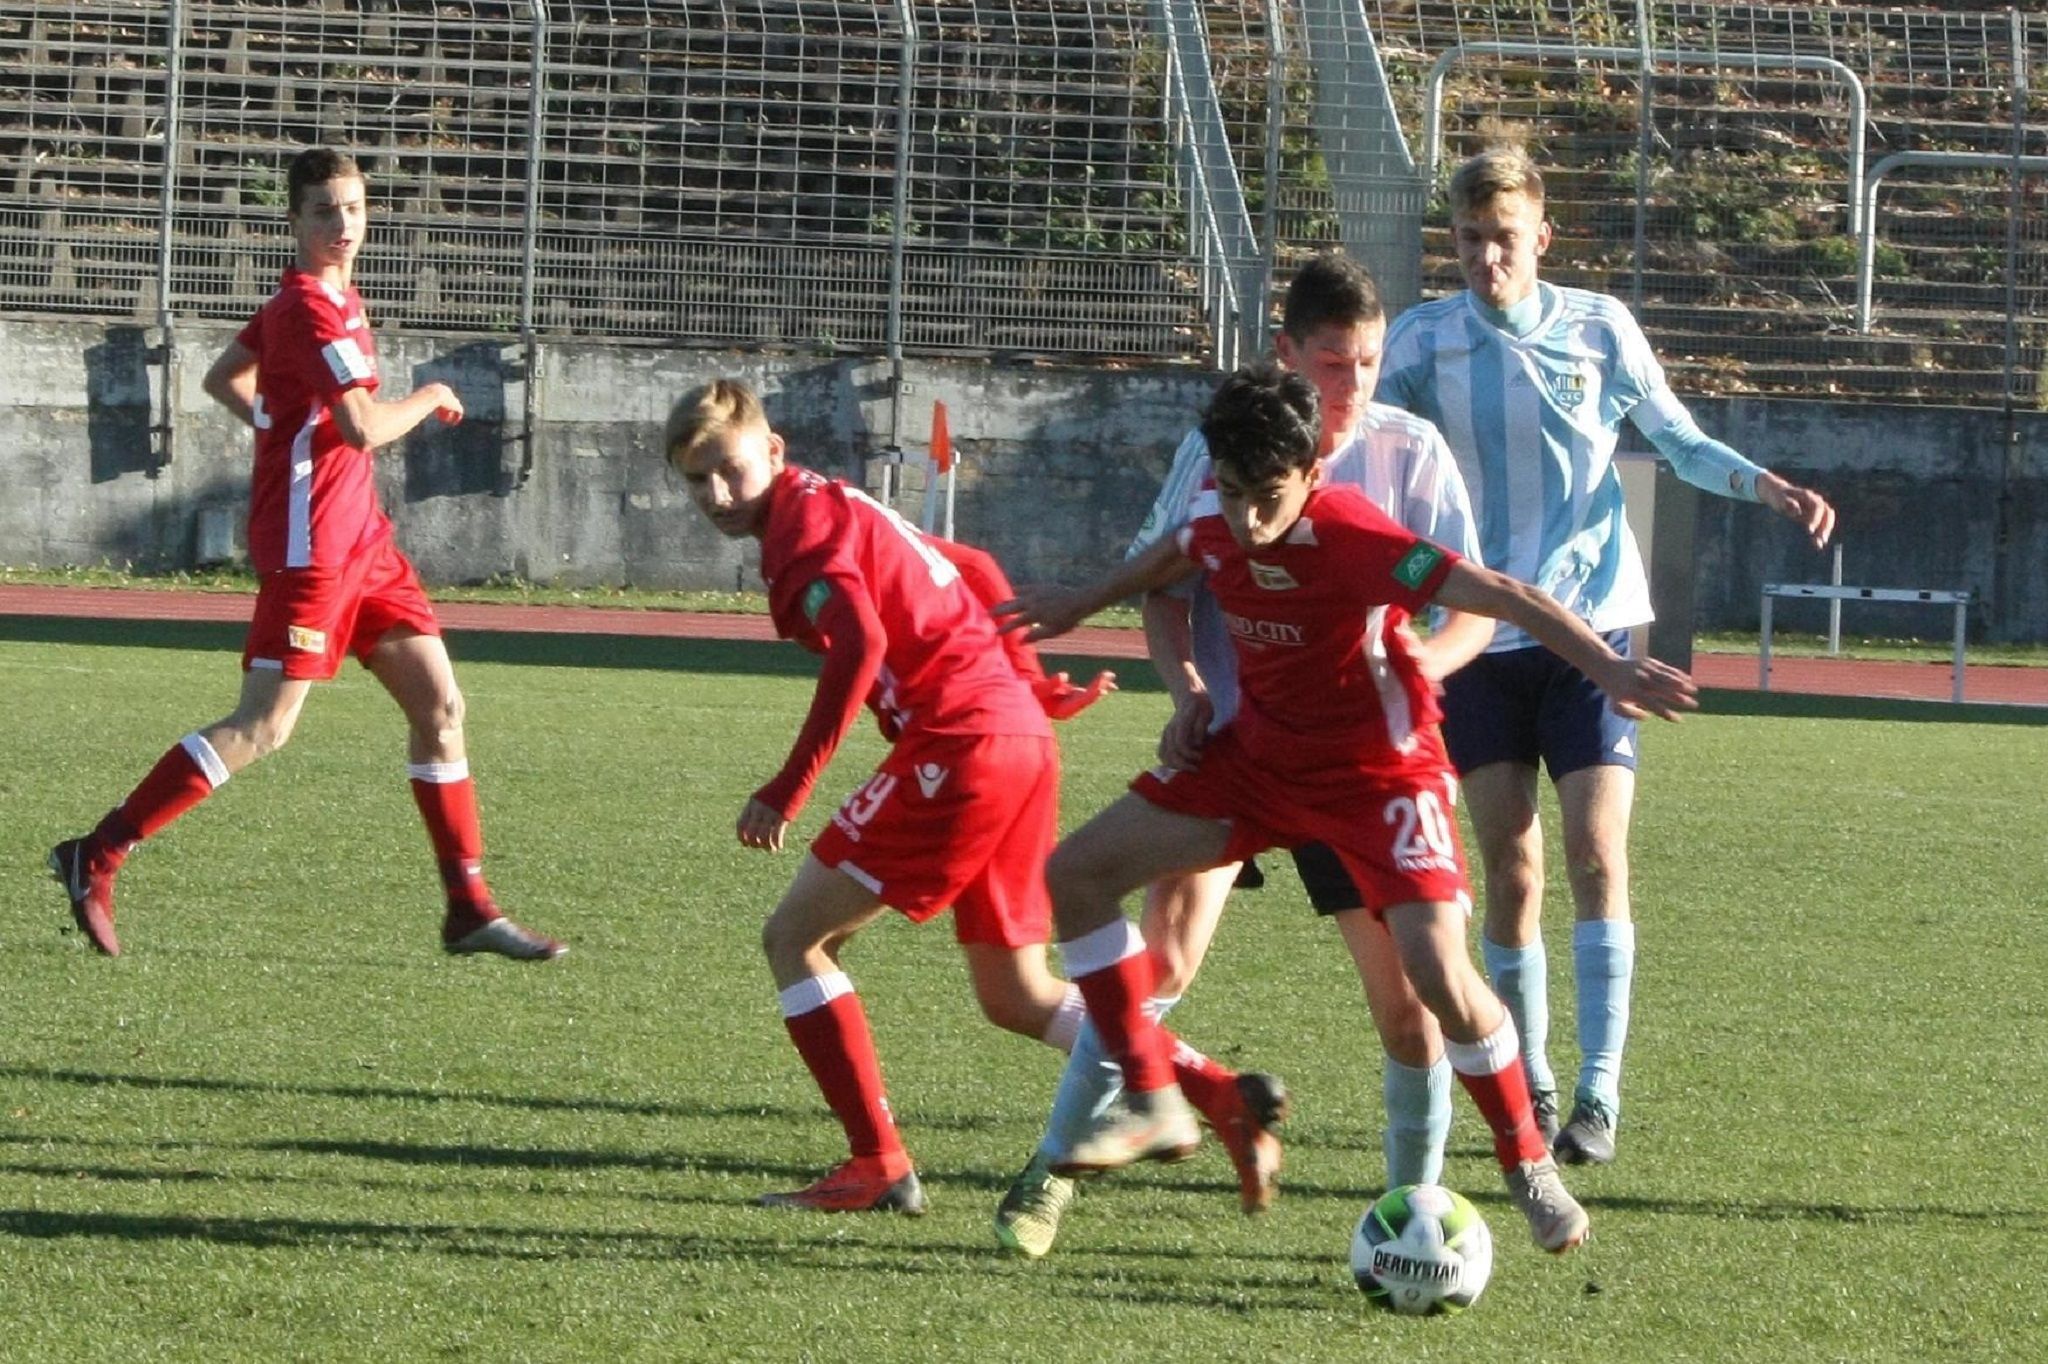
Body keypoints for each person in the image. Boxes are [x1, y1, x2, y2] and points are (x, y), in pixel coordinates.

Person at [1000, 361, 1699, 1253]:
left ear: (1313, 477)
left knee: (1439, 979)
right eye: (1236, 490)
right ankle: (1148, 1093)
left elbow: (1499, 593)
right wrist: (1078, 602)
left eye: (1272, 496)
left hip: (1379, 778)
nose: (1250, 520)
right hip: (1257, 767)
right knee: (1077, 874)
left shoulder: (1354, 534)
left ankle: (1528, 1162)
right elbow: (1173, 556)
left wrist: (1610, 666)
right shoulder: (1218, 516)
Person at [664, 377, 1272, 1215]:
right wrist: (1027, 685)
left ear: (774, 451)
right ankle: (1219, 1093)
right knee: (1013, 994)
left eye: (730, 470)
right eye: (698, 480)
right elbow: (976, 566)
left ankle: (876, 1162)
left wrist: (788, 785)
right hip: (1012, 738)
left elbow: (861, 643)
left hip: (958, 743)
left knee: (794, 936)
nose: (719, 495)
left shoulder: (802, 533)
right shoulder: (838, 504)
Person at [994, 251, 1493, 1259]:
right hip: (1242, 748)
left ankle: (1412, 1224)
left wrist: (1423, 667)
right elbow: (1164, 582)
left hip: (1362, 770)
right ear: (1285, 353)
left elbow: (1467, 607)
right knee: (1157, 959)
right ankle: (1051, 1168)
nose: (1349, 387)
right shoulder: (1226, 442)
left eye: (1364, 363)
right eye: (1329, 364)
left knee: (1405, 1009)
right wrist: (1187, 691)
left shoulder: (1411, 451)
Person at [1375, 146, 1837, 1164]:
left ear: (1542, 235)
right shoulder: (1419, 341)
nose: (1486, 255)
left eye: (1503, 237)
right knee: (1511, 867)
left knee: (1593, 854)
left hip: (1594, 626)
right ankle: (1530, 1073)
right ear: (1450, 240)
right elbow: (1368, 450)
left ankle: (1598, 1092)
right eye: (1467, 239)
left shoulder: (1596, 328)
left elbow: (1672, 439)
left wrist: (1767, 484)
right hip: (1477, 633)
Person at [48, 148, 563, 962]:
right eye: (324, 211)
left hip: (365, 541)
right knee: (264, 727)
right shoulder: (310, 309)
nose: (342, 226)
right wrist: (429, 395)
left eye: (353, 209)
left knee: (442, 709)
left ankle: (468, 907)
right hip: (312, 546)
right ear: (292, 221)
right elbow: (360, 426)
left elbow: (227, 377)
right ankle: (99, 852)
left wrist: (275, 426)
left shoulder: (335, 298)